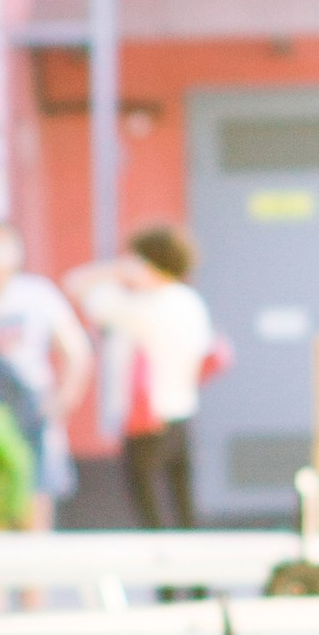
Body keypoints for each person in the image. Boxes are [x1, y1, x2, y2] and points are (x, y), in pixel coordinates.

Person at [66, 225, 221, 528]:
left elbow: (76, 284)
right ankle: (194, 571)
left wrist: (115, 271)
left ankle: (164, 570)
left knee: (149, 506)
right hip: (183, 413)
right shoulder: (190, 302)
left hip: (146, 419)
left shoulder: (142, 309)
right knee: (183, 504)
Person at [0, 226, 94, 530]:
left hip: (31, 410)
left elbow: (76, 351)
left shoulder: (36, 294)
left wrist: (64, 400)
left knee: (34, 507)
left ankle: (34, 579)